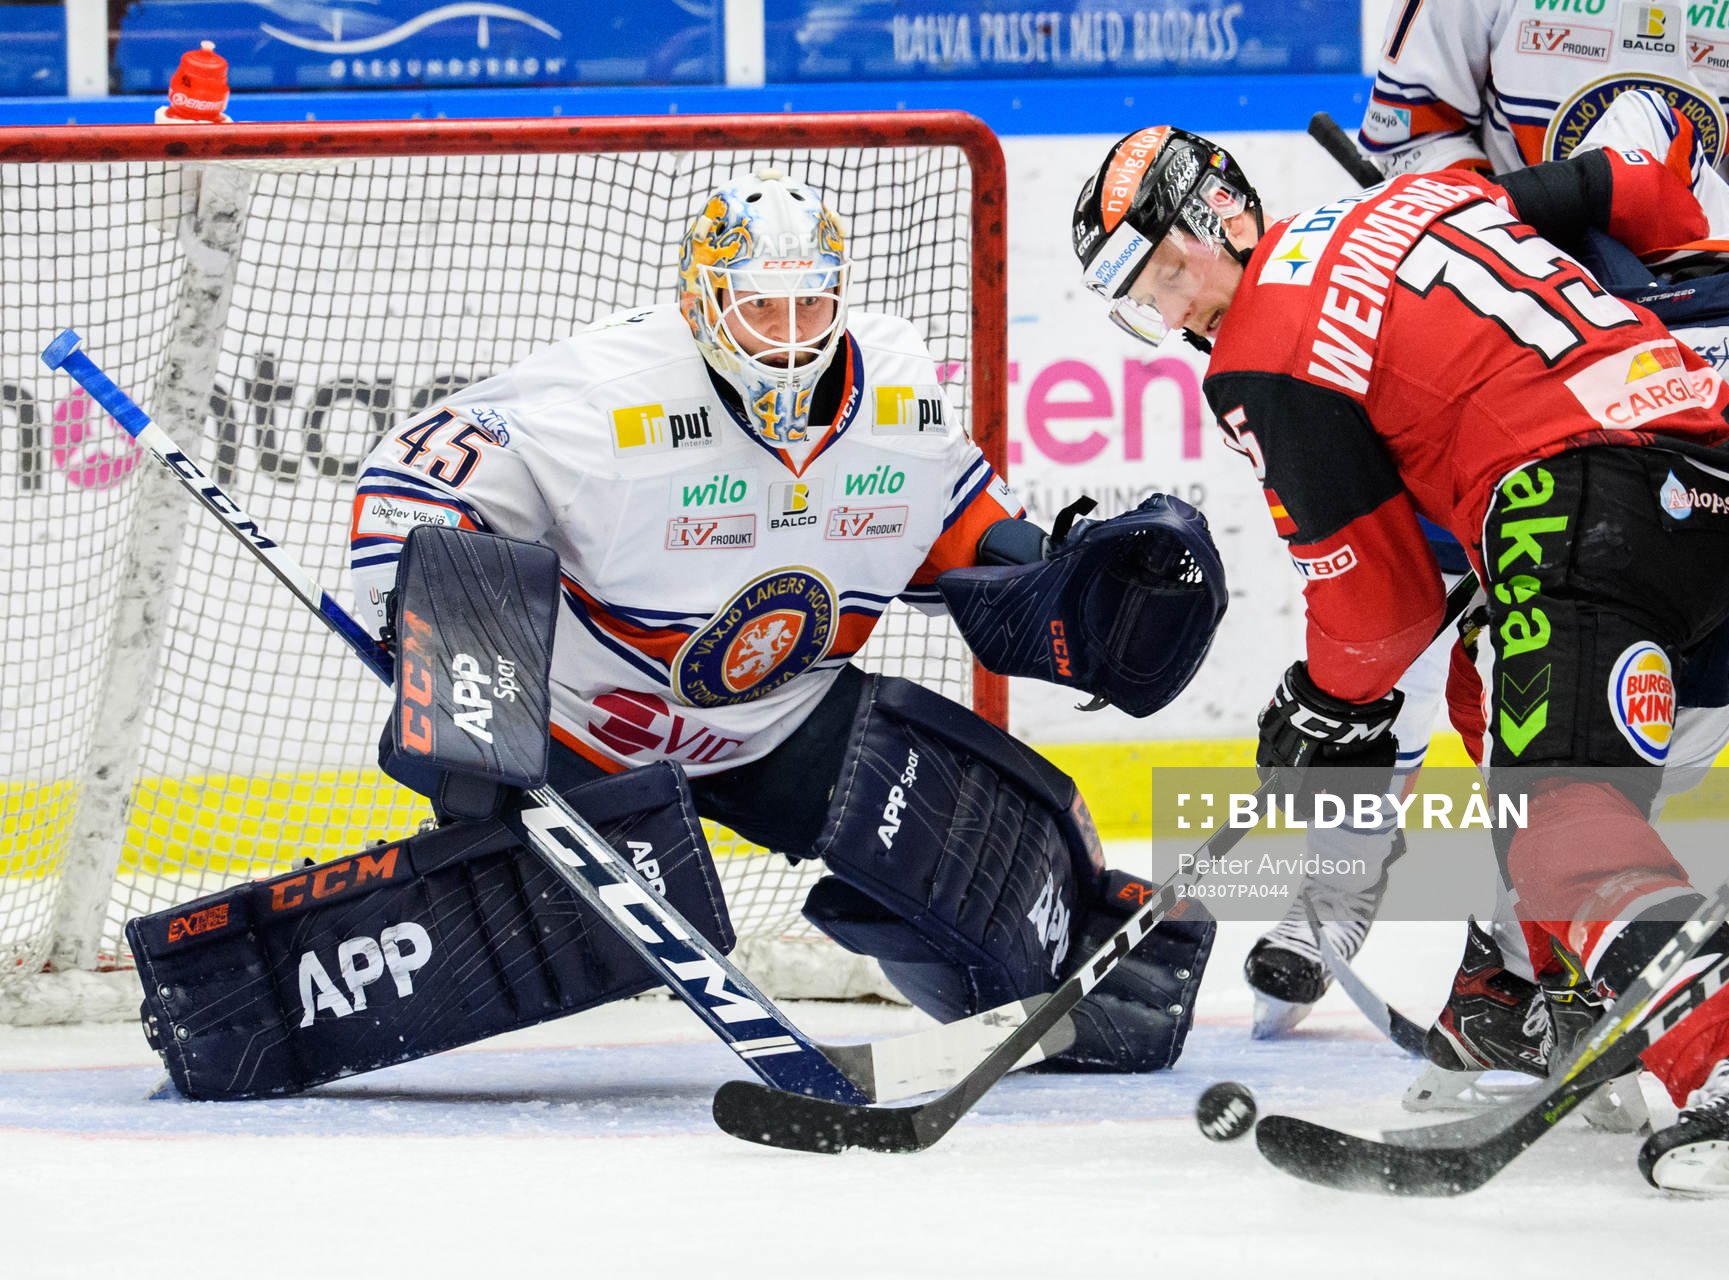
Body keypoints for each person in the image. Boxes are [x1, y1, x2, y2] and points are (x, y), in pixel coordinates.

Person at [1072, 125, 1729, 1193]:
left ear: (1226, 215)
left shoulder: (1259, 346)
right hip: (1717, 465)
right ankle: (1557, 994)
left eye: (1172, 269)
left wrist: (1319, 707)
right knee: (1495, 702)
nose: (1173, 311)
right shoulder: (1421, 194)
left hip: (1578, 493)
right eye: (1144, 298)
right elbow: (1635, 185)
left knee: (1555, 812)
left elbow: (1380, 607)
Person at [340, 168, 1223, 1077]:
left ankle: (1072, 969)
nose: (791, 338)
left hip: (780, 718)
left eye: (812, 307)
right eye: (762, 309)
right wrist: (443, 663)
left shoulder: (898, 391)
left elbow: (958, 533)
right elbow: (411, 482)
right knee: (517, 926)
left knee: (978, 848)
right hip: (588, 739)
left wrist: (1048, 579)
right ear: (703, 299)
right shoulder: (607, 396)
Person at [1358, 0, 1729, 213]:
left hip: (1707, 278)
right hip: (1518, 272)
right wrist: (1492, 229)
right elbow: (1413, 134)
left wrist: (1727, 274)